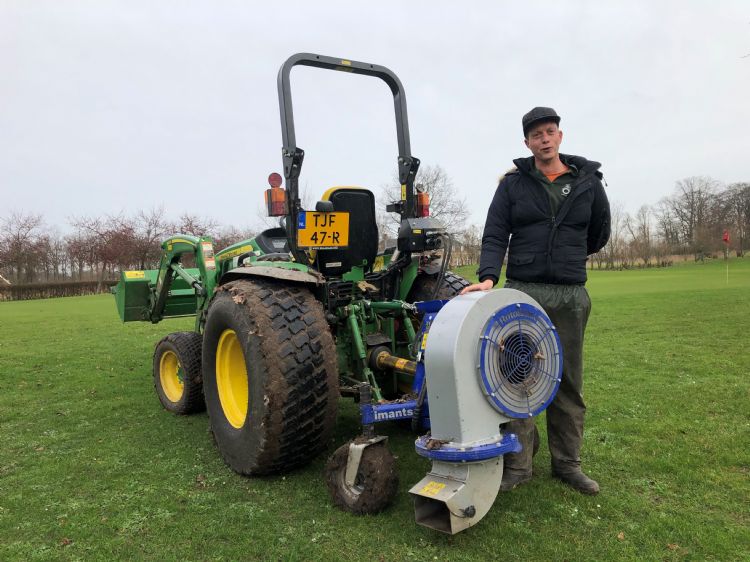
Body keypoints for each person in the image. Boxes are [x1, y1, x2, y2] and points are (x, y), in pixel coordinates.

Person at [461, 107, 610, 495]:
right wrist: (489, 278)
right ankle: (518, 466)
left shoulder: (589, 182)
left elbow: (598, 234)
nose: (543, 139)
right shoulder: (512, 184)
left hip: (570, 295)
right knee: (517, 379)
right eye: (535, 134)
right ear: (526, 143)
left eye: (549, 131)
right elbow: (495, 233)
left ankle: (567, 464)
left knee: (568, 381)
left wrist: (566, 256)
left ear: (560, 136)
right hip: (523, 293)